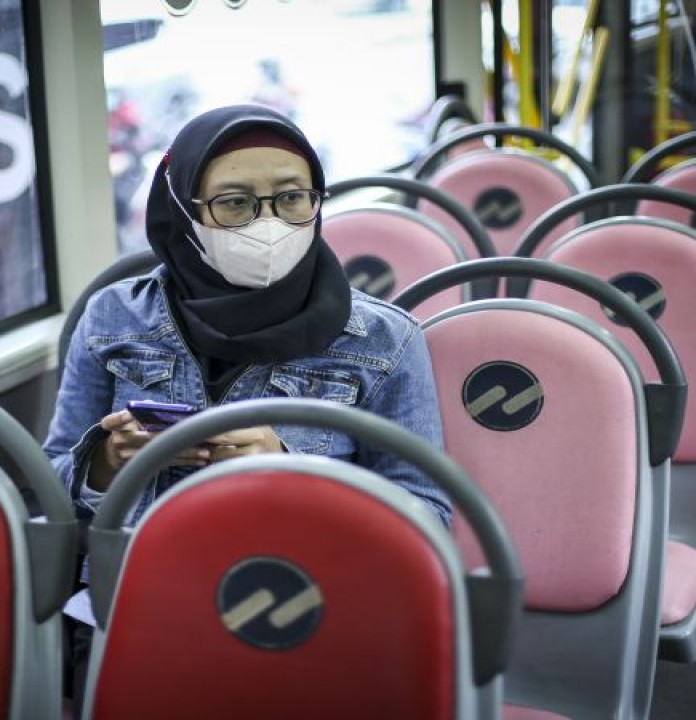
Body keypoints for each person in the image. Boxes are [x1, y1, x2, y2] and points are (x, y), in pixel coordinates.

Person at [42, 103, 451, 707]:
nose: (270, 224)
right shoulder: (112, 318)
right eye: (234, 203)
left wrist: (294, 472)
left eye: (292, 198)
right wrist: (106, 464)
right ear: (184, 209)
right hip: (142, 602)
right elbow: (51, 483)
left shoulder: (384, 341)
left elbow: (429, 518)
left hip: (309, 607)